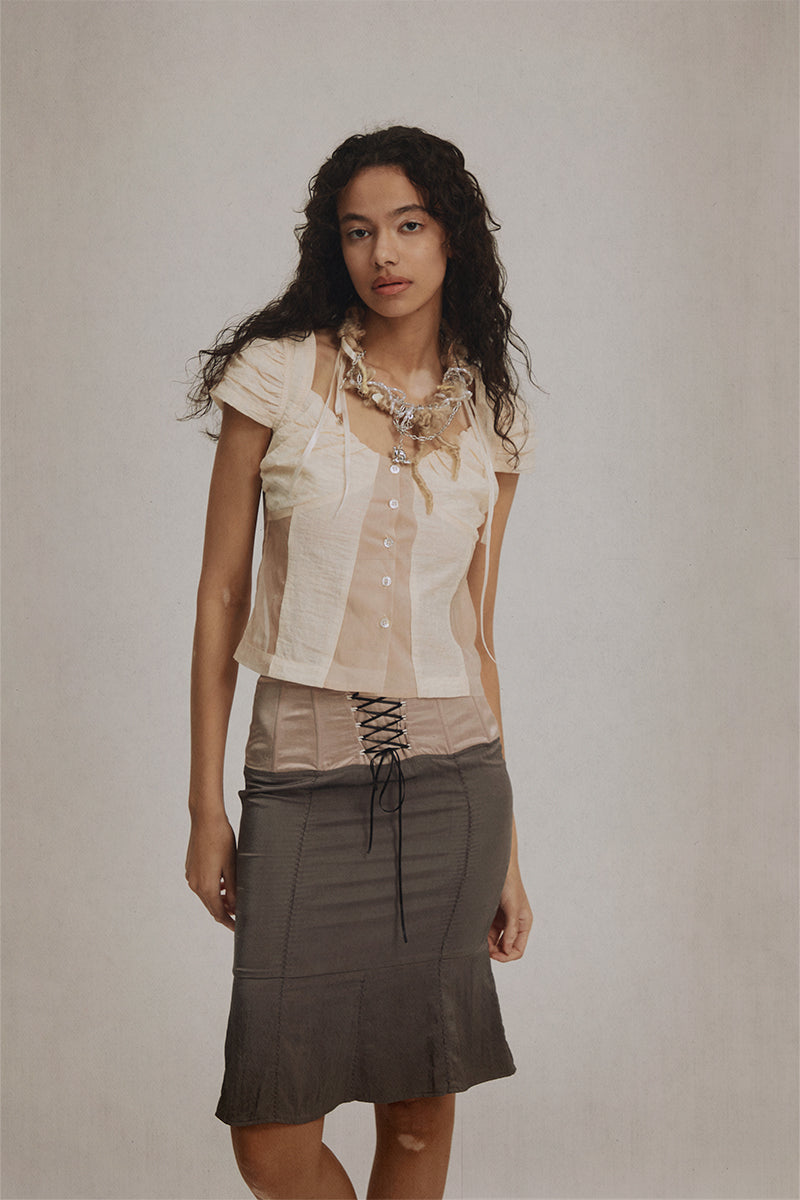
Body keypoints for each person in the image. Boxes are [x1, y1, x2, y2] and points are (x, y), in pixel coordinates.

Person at [185, 125, 534, 1200]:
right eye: (357, 231)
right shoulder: (278, 377)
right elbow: (221, 597)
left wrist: (510, 854)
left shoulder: (493, 419)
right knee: (270, 1134)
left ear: (450, 238)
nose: (383, 252)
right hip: (299, 780)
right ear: (331, 247)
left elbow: (478, 634)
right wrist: (206, 808)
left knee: (419, 1118)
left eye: (409, 225)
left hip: (453, 787)